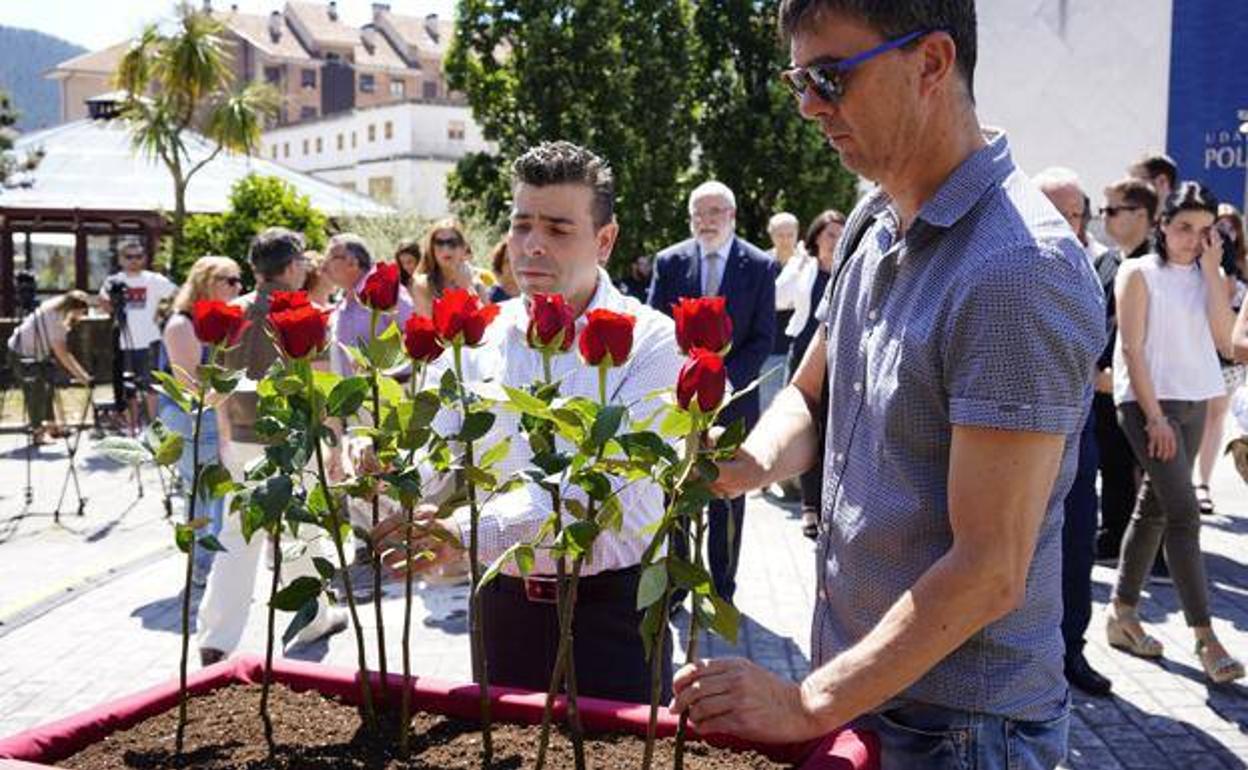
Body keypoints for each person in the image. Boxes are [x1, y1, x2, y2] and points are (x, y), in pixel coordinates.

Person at [670, 3, 1106, 768]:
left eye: (830, 77)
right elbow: (811, 393)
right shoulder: (878, 216)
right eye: (799, 79)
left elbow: (989, 570)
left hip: (963, 731)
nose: (808, 105)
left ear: (933, 63)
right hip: (877, 694)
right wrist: (748, 465)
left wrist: (809, 703)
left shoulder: (1016, 271)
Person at [377, 140, 682, 702]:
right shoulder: (482, 333)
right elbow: (443, 451)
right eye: (521, 226)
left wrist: (464, 535)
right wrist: (390, 480)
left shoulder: (652, 341)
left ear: (605, 240)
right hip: (501, 606)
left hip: (612, 614)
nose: (532, 246)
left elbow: (594, 490)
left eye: (559, 229)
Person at [1107, 181, 1244, 685]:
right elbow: (1132, 351)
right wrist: (1155, 417)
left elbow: (1226, 343)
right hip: (1148, 405)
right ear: (1162, 225)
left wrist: (1212, 274)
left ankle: (1121, 613)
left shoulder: (1212, 276)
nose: (1192, 238)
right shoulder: (1137, 272)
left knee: (1156, 508)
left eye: (1205, 231)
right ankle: (1206, 636)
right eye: (1184, 227)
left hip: (1193, 401)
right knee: (1184, 515)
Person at [198, 228, 345, 666]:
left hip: (242, 438)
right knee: (305, 532)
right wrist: (334, 439)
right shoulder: (307, 312)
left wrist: (224, 435)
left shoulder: (230, 314)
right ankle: (314, 617)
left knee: (237, 538)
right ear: (293, 265)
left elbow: (217, 385)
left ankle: (217, 637)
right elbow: (322, 384)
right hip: (293, 441)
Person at [649, 181, 776, 604]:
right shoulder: (670, 262)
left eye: (715, 212)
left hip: (733, 402)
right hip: (682, 403)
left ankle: (722, 588)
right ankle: (680, 588)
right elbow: (658, 330)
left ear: (733, 216)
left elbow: (762, 338)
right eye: (698, 214)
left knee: (727, 497)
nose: (706, 221)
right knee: (679, 492)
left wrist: (722, 380)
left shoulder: (758, 265)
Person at [1034, 168, 1114, 697]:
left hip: (1077, 436)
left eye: (1075, 214)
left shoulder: (1102, 268)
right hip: (1011, 435)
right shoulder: (1010, 263)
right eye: (1054, 212)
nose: (1066, 224)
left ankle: (1071, 651)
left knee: (1075, 546)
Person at [158, 256, 242, 586]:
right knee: (204, 495)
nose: (238, 287)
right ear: (206, 281)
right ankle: (204, 567)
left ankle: (212, 566)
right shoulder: (183, 324)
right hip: (191, 417)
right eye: (229, 280)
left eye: (239, 279)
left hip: (215, 414)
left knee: (217, 494)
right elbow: (189, 385)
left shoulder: (223, 322)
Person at [1094, 177, 1158, 562]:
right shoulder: (1107, 260)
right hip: (1103, 383)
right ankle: (1113, 537)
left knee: (1148, 474)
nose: (1105, 218)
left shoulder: (1158, 265)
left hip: (1143, 386)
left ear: (1142, 215)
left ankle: (1156, 554)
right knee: (1113, 467)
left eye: (1113, 210)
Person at [785, 209, 844, 540]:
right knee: (807, 428)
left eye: (841, 234)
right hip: (805, 358)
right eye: (830, 234)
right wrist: (795, 265)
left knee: (831, 432)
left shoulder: (850, 267)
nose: (836, 241)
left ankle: (829, 505)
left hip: (838, 360)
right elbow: (779, 297)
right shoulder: (804, 268)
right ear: (817, 237)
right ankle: (809, 505)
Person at [1193, 204, 1248, 515]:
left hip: (1227, 359)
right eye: (1219, 226)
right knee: (1194, 417)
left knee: (1215, 417)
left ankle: (1203, 483)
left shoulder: (1241, 265)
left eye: (1231, 226)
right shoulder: (1201, 261)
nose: (1226, 232)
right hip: (1203, 348)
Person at [97, 241, 178, 423]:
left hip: (150, 340)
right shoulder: (113, 281)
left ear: (145, 258)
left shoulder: (153, 279)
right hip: (123, 341)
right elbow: (104, 303)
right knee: (128, 389)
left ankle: (154, 426)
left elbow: (177, 294)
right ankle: (133, 428)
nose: (134, 261)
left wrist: (165, 314)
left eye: (138, 256)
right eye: (129, 257)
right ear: (120, 259)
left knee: (152, 386)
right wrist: (109, 302)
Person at [6, 290, 93, 443]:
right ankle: (38, 433)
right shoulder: (56, 321)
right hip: (21, 353)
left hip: (35, 353)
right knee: (37, 390)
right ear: (74, 309)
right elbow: (63, 355)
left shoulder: (57, 305)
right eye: (83, 311)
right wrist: (83, 377)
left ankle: (52, 426)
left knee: (47, 386)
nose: (83, 315)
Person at [323, 233, 415, 378]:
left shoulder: (386, 291)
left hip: (388, 392)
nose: (324, 264)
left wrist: (382, 372)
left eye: (331, 257)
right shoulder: (343, 300)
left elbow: (414, 333)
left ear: (352, 263)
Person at [410, 218, 490, 316]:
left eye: (452, 243)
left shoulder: (476, 284)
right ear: (432, 249)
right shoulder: (423, 285)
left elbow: (489, 325)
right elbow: (429, 327)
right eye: (439, 243)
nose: (446, 249)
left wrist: (468, 289)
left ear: (463, 248)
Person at [1128, 153, 1177, 218]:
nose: (1129, 189)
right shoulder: (1122, 224)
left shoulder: (1177, 225)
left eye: (1136, 182)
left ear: (1161, 182)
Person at [487, 238, 520, 303]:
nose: (514, 264)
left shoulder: (531, 293)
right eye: (508, 261)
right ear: (500, 265)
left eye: (518, 259)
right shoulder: (492, 297)